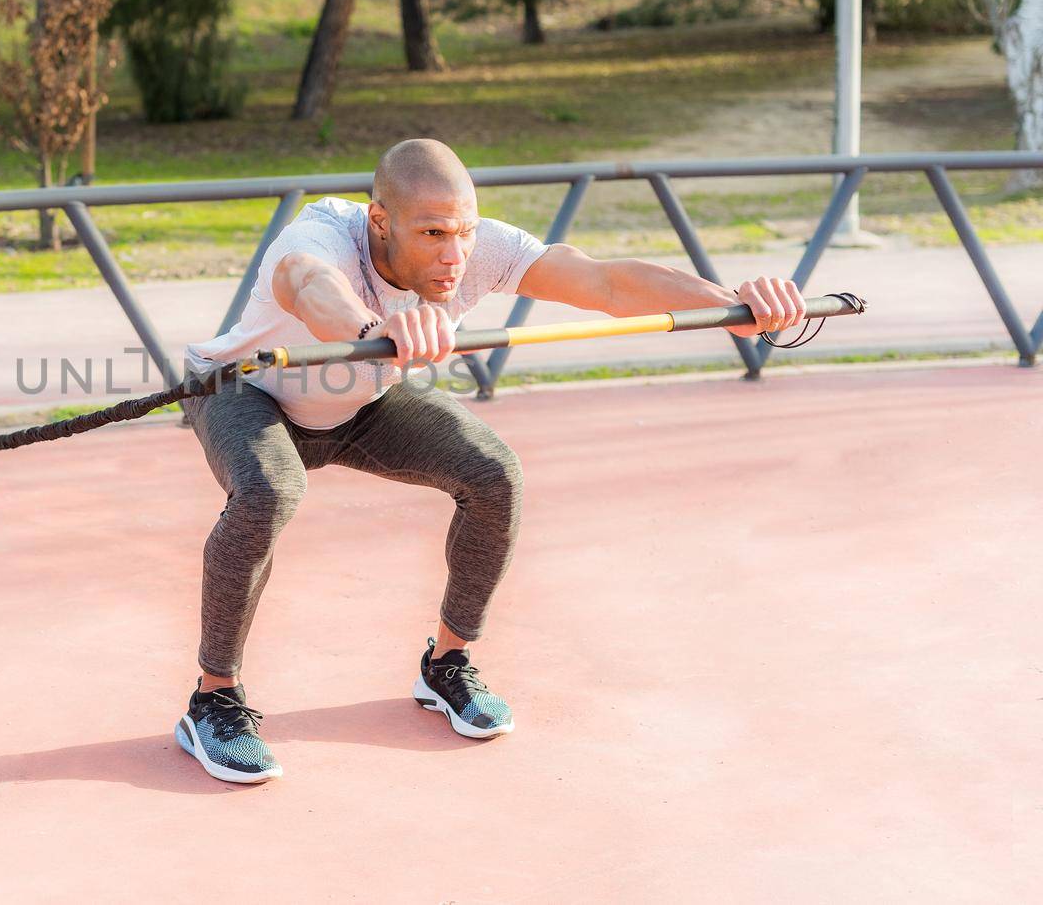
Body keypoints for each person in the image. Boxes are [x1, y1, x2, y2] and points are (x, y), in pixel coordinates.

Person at [175, 139, 806, 784]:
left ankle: (446, 664)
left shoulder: (482, 250)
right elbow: (310, 286)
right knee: (269, 492)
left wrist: (732, 306)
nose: (454, 256)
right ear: (379, 222)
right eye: (432, 234)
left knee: (494, 476)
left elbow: (605, 281)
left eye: (465, 233)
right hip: (243, 391)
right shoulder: (321, 238)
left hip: (361, 403)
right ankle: (213, 699)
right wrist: (371, 334)